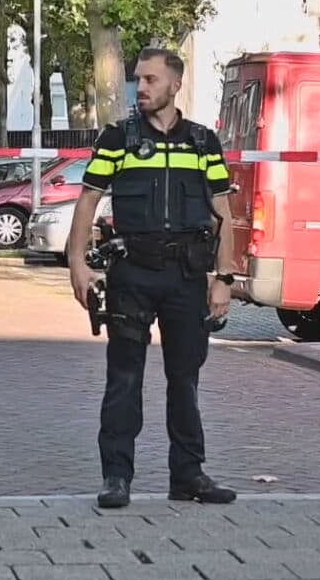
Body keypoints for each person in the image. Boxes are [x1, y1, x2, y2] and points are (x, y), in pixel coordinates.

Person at [66, 50, 240, 510]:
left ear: (175, 85)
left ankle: (188, 476)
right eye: (138, 79)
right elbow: (88, 200)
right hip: (133, 275)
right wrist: (78, 263)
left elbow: (223, 212)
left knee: (185, 379)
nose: (140, 88)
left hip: (185, 277)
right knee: (124, 379)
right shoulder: (119, 138)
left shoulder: (203, 142)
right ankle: (117, 477)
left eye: (150, 79)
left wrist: (224, 278)